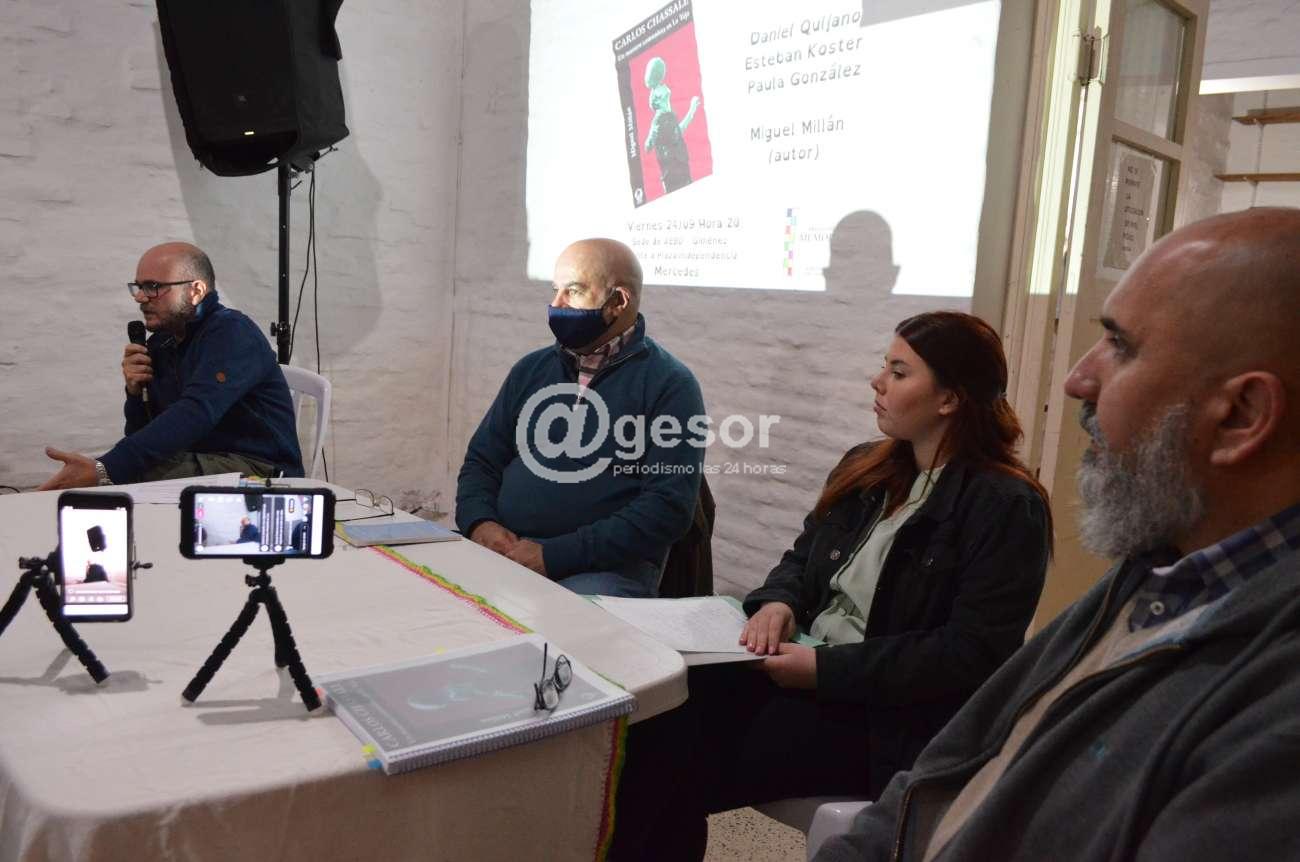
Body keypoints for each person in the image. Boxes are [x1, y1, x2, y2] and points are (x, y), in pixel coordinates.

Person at [815, 207, 1300, 862]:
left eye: (1121, 346)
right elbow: (945, 772)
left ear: (1241, 414)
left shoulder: (1276, 712)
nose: (1076, 380)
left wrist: (826, 669)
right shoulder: (1155, 574)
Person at [612, 311, 1052, 860]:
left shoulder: (1006, 506)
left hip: (884, 717)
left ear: (950, 399)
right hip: (802, 672)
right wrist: (778, 603)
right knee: (654, 719)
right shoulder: (866, 468)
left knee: (673, 761)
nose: (877, 382)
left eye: (899, 372)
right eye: (884, 366)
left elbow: (970, 654)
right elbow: (800, 561)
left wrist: (824, 669)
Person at [455, 238, 705, 598]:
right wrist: (480, 522)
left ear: (618, 302)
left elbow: (667, 508)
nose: (556, 305)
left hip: (602, 568)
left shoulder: (670, 384)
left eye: (572, 291)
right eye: (555, 291)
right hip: (506, 547)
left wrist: (554, 556)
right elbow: (482, 459)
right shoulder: (531, 369)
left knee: (561, 626)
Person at [38, 242, 304, 489]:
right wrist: (135, 392)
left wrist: (106, 469)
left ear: (196, 291)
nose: (140, 297)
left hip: (261, 469)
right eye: (139, 286)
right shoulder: (164, 341)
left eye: (153, 286)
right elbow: (140, 433)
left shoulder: (232, 333)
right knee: (124, 471)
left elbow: (195, 413)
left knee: (119, 477)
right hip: (202, 458)